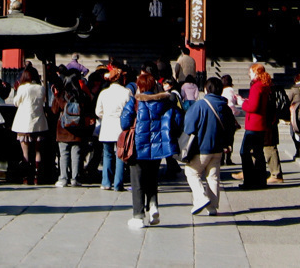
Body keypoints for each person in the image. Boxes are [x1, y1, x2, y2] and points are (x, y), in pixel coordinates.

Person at [121, 70, 181, 229]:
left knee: (137, 181)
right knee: (152, 178)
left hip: (138, 146)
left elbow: (124, 123)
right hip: (158, 147)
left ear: (139, 86)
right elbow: (178, 120)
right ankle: (153, 206)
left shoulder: (134, 102)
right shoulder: (166, 102)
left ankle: (138, 216)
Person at [181, 76, 237, 215]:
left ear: (206, 89)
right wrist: (228, 144)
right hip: (218, 148)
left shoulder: (200, 105)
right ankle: (212, 206)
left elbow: (189, 126)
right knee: (213, 176)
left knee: (192, 172)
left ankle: (200, 198)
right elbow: (231, 127)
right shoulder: (225, 107)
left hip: (201, 147)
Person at [8, 67, 48, 184]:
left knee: (25, 152)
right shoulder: (41, 88)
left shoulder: (22, 88)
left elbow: (16, 102)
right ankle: (37, 175)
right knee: (37, 151)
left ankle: (27, 175)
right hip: (39, 122)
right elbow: (44, 101)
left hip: (24, 122)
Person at [53, 72, 93, 186]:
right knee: (76, 154)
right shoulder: (82, 95)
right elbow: (88, 111)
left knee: (64, 154)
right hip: (78, 129)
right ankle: (75, 178)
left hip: (63, 129)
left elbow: (54, 111)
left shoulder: (60, 95)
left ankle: (63, 178)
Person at [95, 67, 130, 190]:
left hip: (107, 126)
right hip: (121, 127)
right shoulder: (127, 92)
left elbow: (98, 111)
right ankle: (118, 183)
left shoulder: (104, 93)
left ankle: (106, 182)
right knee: (120, 155)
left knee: (107, 155)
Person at [240, 62, 272, 189]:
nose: (249, 74)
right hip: (261, 123)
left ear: (256, 73)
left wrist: (242, 103)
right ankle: (260, 180)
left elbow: (253, 106)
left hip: (253, 124)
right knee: (258, 153)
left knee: (245, 152)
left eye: (251, 72)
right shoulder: (265, 86)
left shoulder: (256, 87)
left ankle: (249, 180)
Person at [220, 73, 244, 165]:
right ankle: (228, 158)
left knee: (222, 138)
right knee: (230, 139)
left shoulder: (220, 90)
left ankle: (221, 158)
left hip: (221, 117)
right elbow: (231, 104)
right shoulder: (230, 90)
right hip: (230, 117)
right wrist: (237, 112)